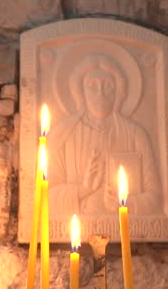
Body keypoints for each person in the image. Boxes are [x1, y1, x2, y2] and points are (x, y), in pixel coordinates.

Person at [48, 54, 161, 216]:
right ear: (81, 91)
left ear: (118, 91)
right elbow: (45, 194)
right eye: (92, 86)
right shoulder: (63, 134)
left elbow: (156, 196)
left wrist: (124, 203)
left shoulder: (135, 134)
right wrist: (83, 189)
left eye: (108, 85)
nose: (100, 93)